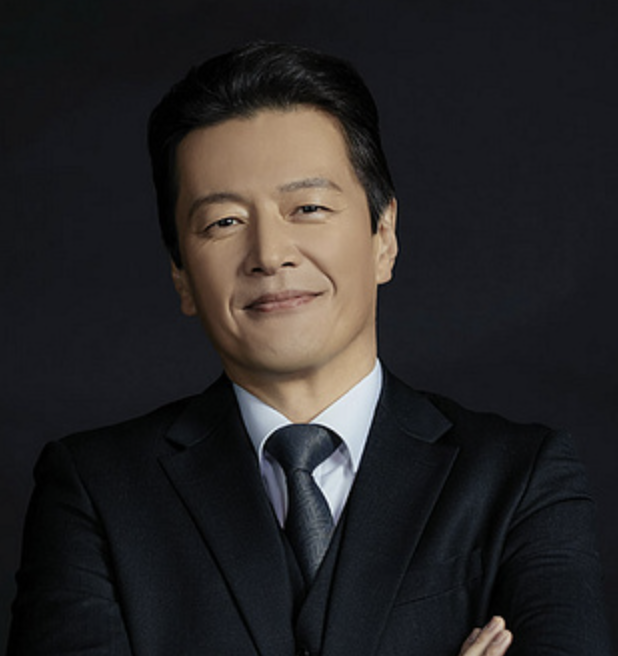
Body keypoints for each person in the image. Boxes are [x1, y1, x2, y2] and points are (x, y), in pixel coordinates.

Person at [7, 42, 612, 656]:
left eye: (309, 207)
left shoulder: (521, 478)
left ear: (383, 236)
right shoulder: (95, 492)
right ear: (181, 276)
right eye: (224, 222)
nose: (270, 254)